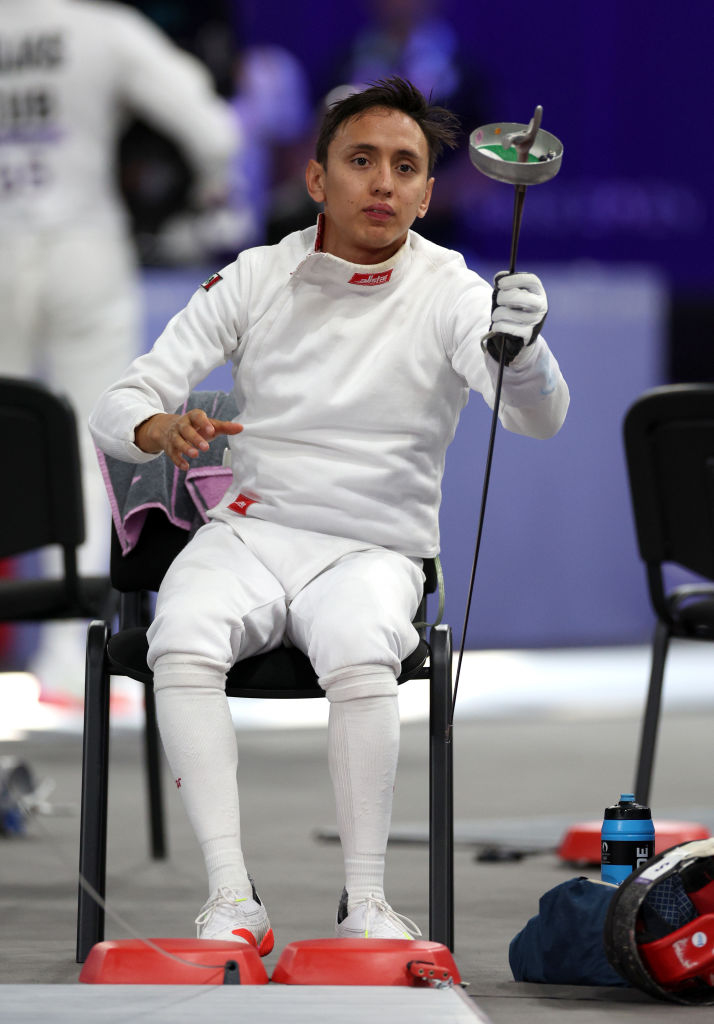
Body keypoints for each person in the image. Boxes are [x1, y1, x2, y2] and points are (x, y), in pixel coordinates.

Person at [89, 77, 569, 949]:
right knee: (180, 634)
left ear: (427, 193)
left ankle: (365, 903)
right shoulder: (259, 273)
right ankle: (232, 898)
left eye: (405, 167)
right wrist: (161, 426)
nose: (382, 183)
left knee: (358, 647)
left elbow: (536, 417)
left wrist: (526, 349)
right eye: (361, 161)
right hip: (250, 530)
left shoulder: (455, 290)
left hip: (375, 549)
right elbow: (122, 399)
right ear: (318, 179)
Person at [0, 0, 239, 694]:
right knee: (95, 445)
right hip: (84, 247)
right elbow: (214, 132)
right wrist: (200, 195)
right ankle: (75, 667)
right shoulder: (102, 31)